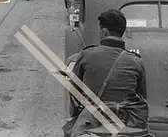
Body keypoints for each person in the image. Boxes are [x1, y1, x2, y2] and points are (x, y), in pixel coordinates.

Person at [63, 9, 149, 137]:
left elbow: (74, 93)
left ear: (104, 32)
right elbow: (141, 96)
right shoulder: (136, 61)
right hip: (124, 125)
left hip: (92, 125)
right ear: (122, 32)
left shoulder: (87, 55)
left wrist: (79, 116)